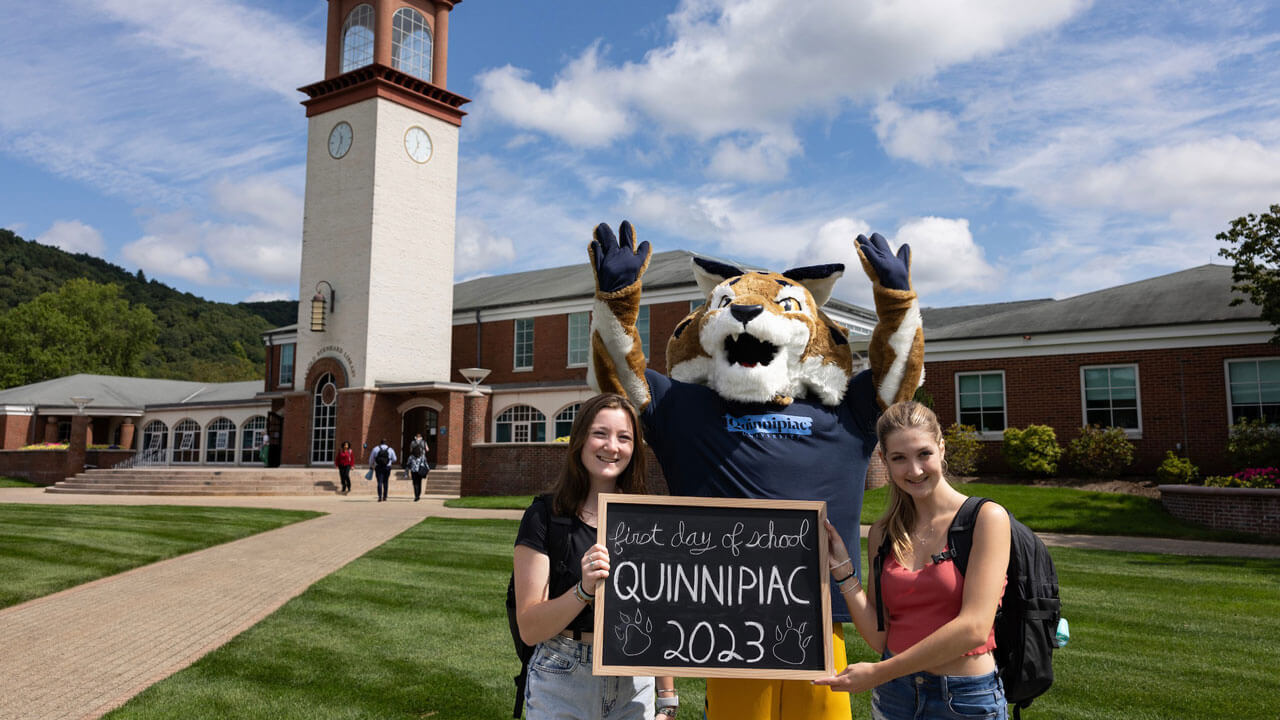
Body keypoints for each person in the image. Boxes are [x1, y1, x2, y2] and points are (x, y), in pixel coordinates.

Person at [814, 401, 1012, 719]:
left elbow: (974, 628)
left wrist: (880, 672)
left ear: (941, 448)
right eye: (899, 458)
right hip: (895, 697)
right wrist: (843, 570)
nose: (915, 470)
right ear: (884, 461)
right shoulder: (883, 533)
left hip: (964, 699)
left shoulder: (985, 519)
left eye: (924, 454)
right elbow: (881, 636)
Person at [512, 393, 677, 720]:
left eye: (624, 437)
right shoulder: (544, 516)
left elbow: (658, 613)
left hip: (634, 679)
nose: (612, 446)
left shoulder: (647, 518)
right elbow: (529, 628)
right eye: (600, 433)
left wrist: (667, 697)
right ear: (580, 439)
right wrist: (583, 590)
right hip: (562, 676)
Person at [368, 438, 396, 502]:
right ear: (386, 443)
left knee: (379, 482)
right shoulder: (390, 449)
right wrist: (390, 460)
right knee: (386, 482)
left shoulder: (375, 449)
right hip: (387, 467)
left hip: (378, 467)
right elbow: (395, 459)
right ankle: (385, 497)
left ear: (380, 442)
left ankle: (380, 496)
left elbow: (371, 459)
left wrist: (371, 466)